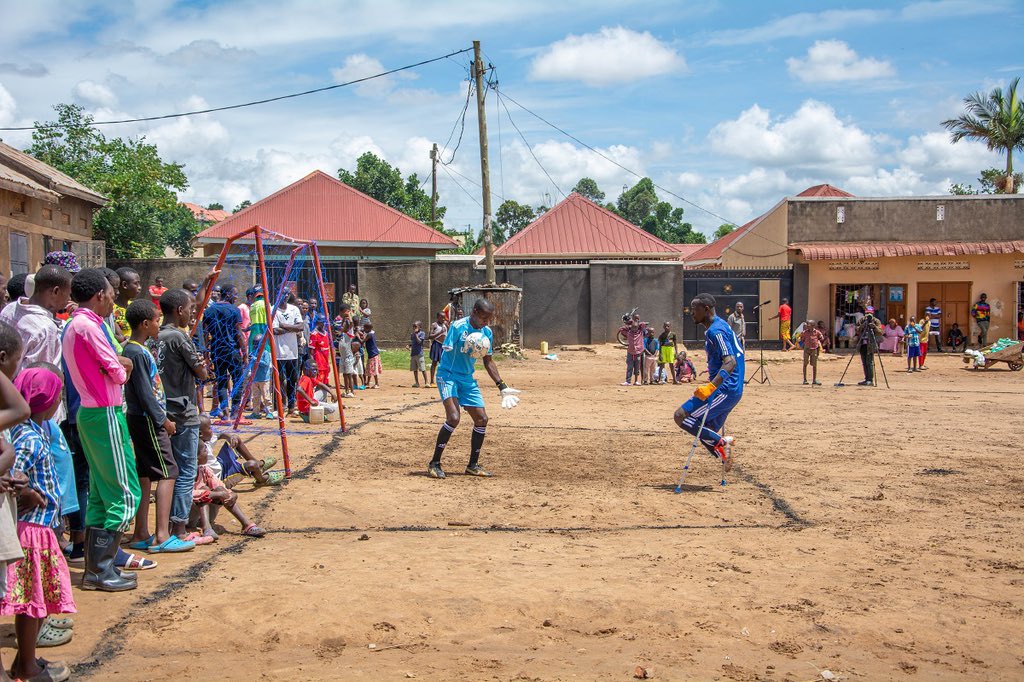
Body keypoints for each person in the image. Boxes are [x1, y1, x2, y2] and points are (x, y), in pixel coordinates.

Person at [62, 269, 141, 592]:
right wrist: (124, 366)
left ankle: (97, 568)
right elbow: (118, 371)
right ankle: (102, 567)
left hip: (90, 413)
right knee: (125, 492)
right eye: (111, 294)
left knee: (99, 493)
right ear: (99, 295)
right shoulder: (88, 327)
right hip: (104, 412)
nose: (113, 299)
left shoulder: (73, 324)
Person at [5, 368, 76, 682]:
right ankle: (27, 668)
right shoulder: (30, 438)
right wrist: (28, 492)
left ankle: (26, 660)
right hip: (33, 531)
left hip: (42, 528)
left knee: (39, 599)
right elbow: (12, 474)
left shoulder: (26, 429)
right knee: (34, 602)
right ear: (47, 402)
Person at [123, 300, 194, 555]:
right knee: (169, 472)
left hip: (139, 417)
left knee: (145, 475)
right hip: (147, 419)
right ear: (144, 324)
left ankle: (141, 532)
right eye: (155, 320)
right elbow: (145, 393)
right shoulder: (137, 353)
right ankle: (162, 536)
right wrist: (163, 420)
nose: (158, 324)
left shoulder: (133, 350)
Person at [428, 298, 520, 479]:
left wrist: (502, 385)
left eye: (489, 319)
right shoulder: (457, 327)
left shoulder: (486, 332)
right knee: (454, 418)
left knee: (481, 418)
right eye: (484, 318)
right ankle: (435, 463)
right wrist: (465, 344)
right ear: (475, 312)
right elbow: (445, 348)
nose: (487, 322)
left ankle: (472, 465)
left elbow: (488, 361)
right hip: (448, 375)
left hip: (467, 379)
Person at [156, 288, 209, 543]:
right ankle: (179, 527)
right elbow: (201, 372)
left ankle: (165, 524)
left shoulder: (153, 336)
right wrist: (203, 367)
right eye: (189, 309)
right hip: (183, 411)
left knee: (168, 470)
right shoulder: (179, 337)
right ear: (179, 311)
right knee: (186, 470)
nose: (191, 313)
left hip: (161, 410)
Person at [673, 293, 743, 473]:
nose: (691, 313)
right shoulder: (720, 327)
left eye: (694, 309)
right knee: (703, 430)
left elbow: (731, 361)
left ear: (706, 309)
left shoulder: (716, 330)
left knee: (681, 416)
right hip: (728, 389)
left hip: (724, 390)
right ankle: (722, 452)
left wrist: (712, 386)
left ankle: (723, 443)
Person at [0, 265, 71, 387]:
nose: (69, 299)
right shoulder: (45, 328)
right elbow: (38, 382)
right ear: (56, 291)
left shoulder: (9, 309)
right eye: (68, 294)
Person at [192, 435, 266, 539]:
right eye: (205, 451)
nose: (208, 453)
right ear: (196, 457)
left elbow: (218, 484)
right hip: (188, 517)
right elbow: (189, 495)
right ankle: (206, 528)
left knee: (220, 489)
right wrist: (215, 494)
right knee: (205, 490)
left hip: (203, 514)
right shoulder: (185, 476)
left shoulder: (204, 469)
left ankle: (247, 525)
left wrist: (231, 494)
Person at [198, 417, 282, 490]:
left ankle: (259, 465)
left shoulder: (206, 440)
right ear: (201, 434)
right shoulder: (198, 449)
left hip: (220, 464)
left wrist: (231, 437)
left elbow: (220, 435)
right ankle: (261, 480)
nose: (212, 430)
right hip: (220, 478)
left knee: (236, 439)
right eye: (209, 428)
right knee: (251, 465)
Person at [203, 285, 248, 421]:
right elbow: (239, 333)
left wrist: (206, 352)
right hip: (232, 350)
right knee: (238, 381)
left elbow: (205, 334)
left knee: (221, 381)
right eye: (235, 294)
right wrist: (244, 352)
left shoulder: (209, 310)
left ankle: (225, 412)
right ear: (227, 294)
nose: (236, 297)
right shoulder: (234, 310)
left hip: (217, 350)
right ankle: (235, 412)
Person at [273, 293, 304, 415]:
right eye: (282, 292)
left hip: (292, 351)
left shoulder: (294, 309)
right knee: (278, 380)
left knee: (292, 380)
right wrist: (293, 328)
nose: (285, 295)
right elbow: (275, 330)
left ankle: (291, 406)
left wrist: (284, 325)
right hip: (278, 352)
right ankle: (278, 407)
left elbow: (300, 326)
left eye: (287, 293)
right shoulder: (273, 309)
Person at [247, 333, 275, 419]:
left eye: (257, 343)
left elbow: (266, 364)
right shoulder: (253, 353)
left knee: (266, 397)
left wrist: (256, 359)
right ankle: (256, 412)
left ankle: (269, 412)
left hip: (264, 379)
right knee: (255, 397)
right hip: (255, 379)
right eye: (254, 343)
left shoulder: (265, 353)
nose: (255, 345)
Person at [854, 306, 883, 386]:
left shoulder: (876, 321)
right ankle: (866, 378)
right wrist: (863, 325)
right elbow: (856, 329)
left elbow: (880, 332)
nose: (868, 315)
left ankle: (870, 379)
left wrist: (874, 327)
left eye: (870, 313)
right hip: (862, 343)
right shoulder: (862, 320)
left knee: (869, 362)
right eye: (867, 313)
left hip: (871, 344)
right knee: (864, 362)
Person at [113, 266, 141, 339]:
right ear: (124, 285)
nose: (139, 287)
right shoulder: (110, 309)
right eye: (136, 284)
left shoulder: (134, 306)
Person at [618, 314, 645, 386]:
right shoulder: (629, 333)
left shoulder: (640, 332)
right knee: (629, 366)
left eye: (635, 328)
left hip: (638, 352)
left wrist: (637, 323)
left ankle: (636, 381)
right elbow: (621, 329)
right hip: (630, 352)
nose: (634, 329)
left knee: (637, 367)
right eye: (633, 328)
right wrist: (630, 323)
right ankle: (628, 381)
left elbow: (643, 324)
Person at [799, 319, 826, 386]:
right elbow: (801, 339)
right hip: (806, 349)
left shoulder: (817, 332)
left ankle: (814, 380)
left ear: (813, 326)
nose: (807, 325)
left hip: (814, 349)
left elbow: (821, 338)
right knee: (805, 364)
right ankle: (805, 379)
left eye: (808, 324)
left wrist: (820, 339)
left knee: (814, 365)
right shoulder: (805, 332)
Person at [309, 318, 333, 388]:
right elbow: (311, 351)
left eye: (324, 322)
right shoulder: (314, 334)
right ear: (317, 323)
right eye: (321, 323)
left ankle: (323, 397)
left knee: (325, 381)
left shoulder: (326, 334)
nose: (323, 324)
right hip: (319, 362)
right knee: (319, 382)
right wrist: (314, 365)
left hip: (326, 361)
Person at [428, 312, 447, 387]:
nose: (443, 319)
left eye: (444, 317)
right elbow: (430, 336)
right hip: (437, 344)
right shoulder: (434, 325)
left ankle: (443, 380)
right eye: (441, 317)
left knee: (443, 364)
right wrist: (440, 332)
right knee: (434, 363)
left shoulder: (445, 325)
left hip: (444, 346)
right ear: (438, 317)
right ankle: (432, 381)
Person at [363, 321, 382, 389]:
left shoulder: (369, 335)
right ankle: (368, 383)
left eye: (364, 328)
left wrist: (358, 337)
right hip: (371, 354)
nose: (364, 329)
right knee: (369, 369)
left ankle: (377, 383)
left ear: (368, 329)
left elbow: (363, 341)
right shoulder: (372, 333)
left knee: (374, 370)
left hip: (373, 354)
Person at [409, 321, 428, 388]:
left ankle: (426, 382)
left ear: (420, 327)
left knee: (422, 368)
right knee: (414, 369)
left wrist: (416, 334)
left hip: (419, 354)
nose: (414, 328)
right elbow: (413, 342)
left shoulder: (422, 333)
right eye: (413, 326)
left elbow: (419, 342)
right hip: (413, 353)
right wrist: (409, 345)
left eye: (416, 326)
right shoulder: (412, 334)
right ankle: (417, 382)